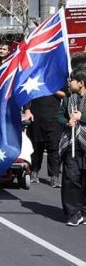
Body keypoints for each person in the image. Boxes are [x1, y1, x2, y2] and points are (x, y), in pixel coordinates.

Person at [58, 69, 86, 226]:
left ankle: (84, 210)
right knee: (70, 178)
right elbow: (59, 116)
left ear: (81, 83)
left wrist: (82, 117)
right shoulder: (68, 98)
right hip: (72, 143)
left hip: (85, 143)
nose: (69, 82)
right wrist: (67, 122)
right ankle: (73, 213)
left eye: (72, 80)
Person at [24, 93, 65, 187]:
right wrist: (27, 109)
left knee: (54, 148)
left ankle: (54, 176)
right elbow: (26, 93)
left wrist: (52, 89)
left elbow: (65, 94)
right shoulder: (35, 82)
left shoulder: (57, 83)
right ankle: (34, 171)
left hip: (54, 119)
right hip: (36, 117)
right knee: (36, 147)